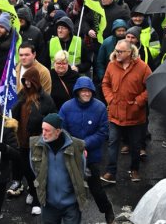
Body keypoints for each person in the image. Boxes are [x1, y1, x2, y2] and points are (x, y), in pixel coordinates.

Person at [59, 77, 114, 224]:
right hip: (70, 153)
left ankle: (107, 210)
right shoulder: (66, 107)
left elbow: (103, 132)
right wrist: (74, 146)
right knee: (70, 189)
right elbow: (61, 130)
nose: (86, 93)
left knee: (96, 188)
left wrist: (84, 144)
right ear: (77, 92)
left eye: (88, 91)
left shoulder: (100, 107)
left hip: (92, 156)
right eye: (83, 90)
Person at [101, 38, 151, 184]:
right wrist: (110, 99)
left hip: (135, 114)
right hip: (115, 113)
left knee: (136, 145)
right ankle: (111, 171)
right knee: (113, 143)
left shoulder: (143, 67)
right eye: (116, 51)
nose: (117, 54)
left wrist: (138, 102)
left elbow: (150, 87)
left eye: (120, 51)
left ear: (130, 52)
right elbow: (105, 84)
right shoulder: (111, 65)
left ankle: (134, 170)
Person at [9, 66, 57, 213]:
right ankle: (31, 190)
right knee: (26, 169)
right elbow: (15, 112)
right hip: (22, 140)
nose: (27, 83)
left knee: (37, 171)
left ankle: (37, 199)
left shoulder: (45, 99)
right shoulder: (22, 95)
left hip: (38, 141)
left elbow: (53, 118)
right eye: (25, 81)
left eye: (30, 80)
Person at [29, 113, 87, 224]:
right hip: (48, 205)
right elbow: (34, 169)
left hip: (71, 205)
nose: (43, 134)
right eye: (42, 129)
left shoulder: (75, 146)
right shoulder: (36, 146)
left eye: (47, 130)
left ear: (58, 131)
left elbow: (81, 170)